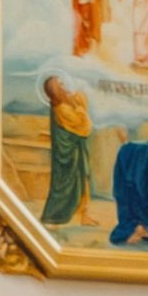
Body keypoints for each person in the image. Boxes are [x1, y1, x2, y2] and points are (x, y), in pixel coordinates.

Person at [39, 73, 94, 227]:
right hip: (68, 156)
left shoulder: (64, 104)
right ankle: (52, 217)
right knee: (64, 188)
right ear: (55, 90)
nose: (64, 87)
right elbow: (84, 126)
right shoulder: (62, 109)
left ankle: (85, 216)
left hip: (75, 152)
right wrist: (79, 107)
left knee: (84, 182)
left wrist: (76, 100)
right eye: (60, 85)